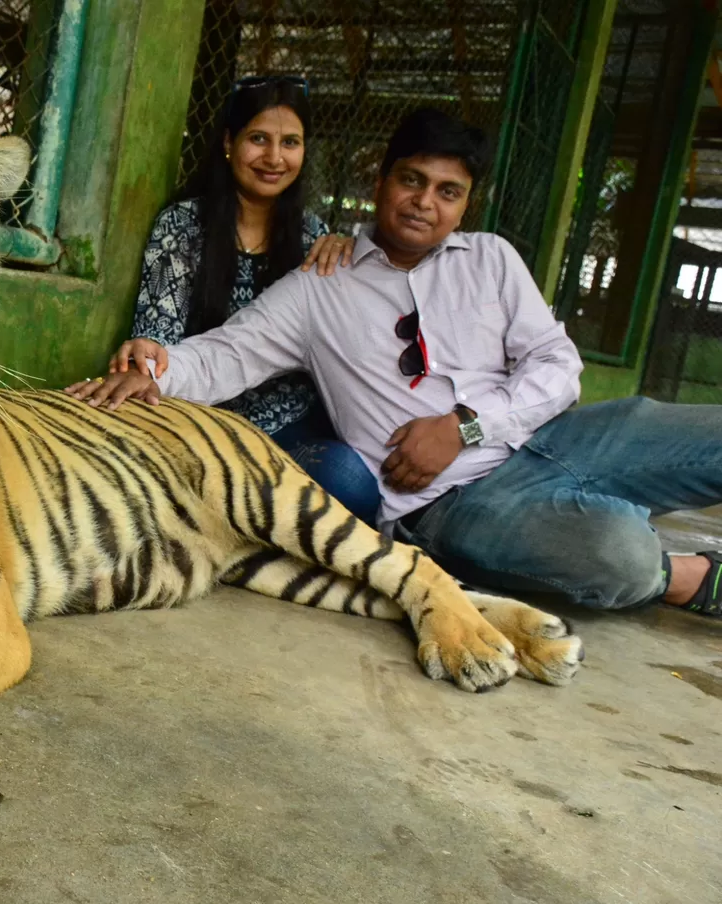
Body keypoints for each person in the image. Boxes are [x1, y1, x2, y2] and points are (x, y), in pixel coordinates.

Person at [65, 107, 722, 616]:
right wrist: (154, 369)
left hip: (551, 439)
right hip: (454, 505)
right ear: (380, 181)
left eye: (448, 191)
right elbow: (224, 356)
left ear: (466, 203)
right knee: (622, 552)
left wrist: (465, 424)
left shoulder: (492, 259)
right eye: (412, 180)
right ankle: (684, 577)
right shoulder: (319, 287)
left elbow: (557, 366)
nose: (424, 202)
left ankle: (613, 513)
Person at [111, 73, 381, 524]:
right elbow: (157, 341)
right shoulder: (183, 226)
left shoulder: (315, 237)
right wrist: (147, 360)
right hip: (197, 420)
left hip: (290, 432)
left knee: (349, 481)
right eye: (259, 139)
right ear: (228, 143)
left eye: (290, 142)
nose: (275, 158)